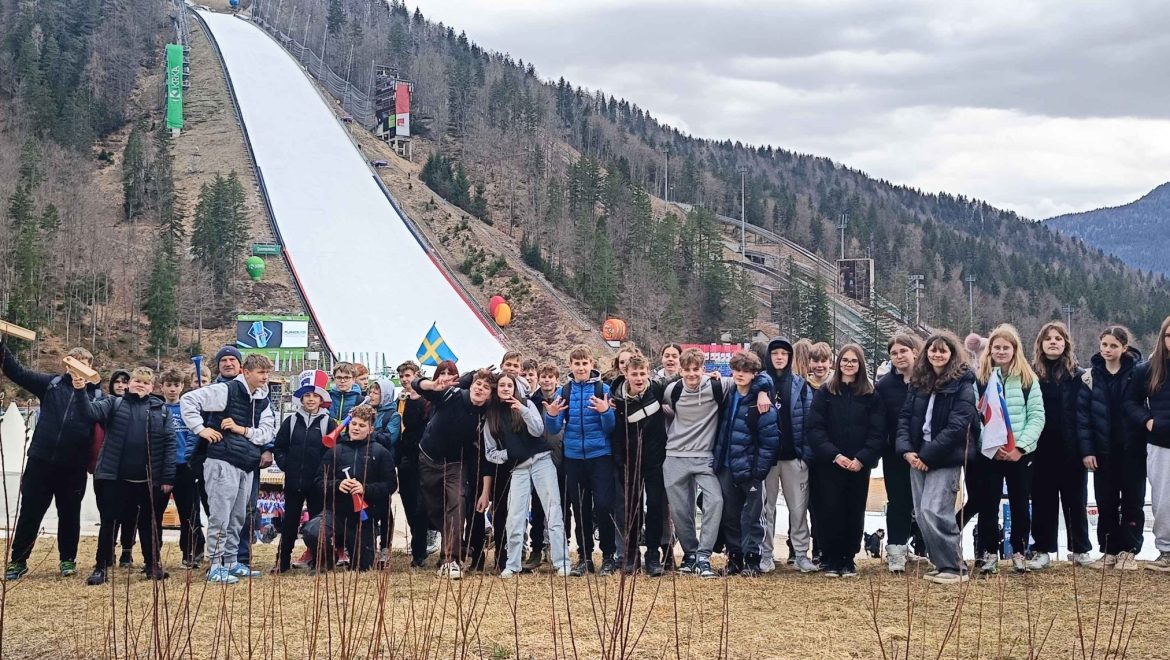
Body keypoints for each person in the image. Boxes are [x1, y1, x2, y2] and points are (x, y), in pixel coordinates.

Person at [0, 340, 104, 581]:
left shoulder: (98, 396)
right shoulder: (51, 384)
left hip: (74, 465)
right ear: (67, 365)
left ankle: (67, 560)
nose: (77, 370)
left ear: (91, 367)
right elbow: (17, 372)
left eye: (83, 365)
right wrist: (1, 347)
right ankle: (18, 561)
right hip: (41, 460)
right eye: (74, 364)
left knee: (70, 514)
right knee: (30, 512)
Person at [181, 354, 276, 585]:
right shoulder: (226, 390)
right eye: (260, 372)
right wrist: (201, 429)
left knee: (238, 517)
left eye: (267, 372)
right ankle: (215, 565)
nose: (265, 377)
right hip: (222, 460)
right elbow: (189, 400)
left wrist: (243, 430)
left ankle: (231, 562)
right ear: (246, 372)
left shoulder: (262, 399)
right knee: (220, 515)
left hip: (247, 462)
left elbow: (267, 432)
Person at [76, 367, 176, 585]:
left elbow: (170, 443)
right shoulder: (113, 403)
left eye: (146, 382)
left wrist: (168, 478)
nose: (141, 385)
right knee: (109, 524)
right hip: (116, 478)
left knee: (149, 525)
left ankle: (152, 565)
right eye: (137, 380)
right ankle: (101, 568)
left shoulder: (161, 410)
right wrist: (81, 391)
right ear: (129, 384)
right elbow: (88, 413)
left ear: (152, 387)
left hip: (148, 480)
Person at [897, 332, 978, 585]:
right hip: (917, 456)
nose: (937, 354)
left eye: (943, 350)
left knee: (936, 510)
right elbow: (905, 418)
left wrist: (927, 456)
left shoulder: (963, 384)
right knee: (922, 513)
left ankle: (955, 567)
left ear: (952, 354)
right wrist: (907, 450)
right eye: (933, 350)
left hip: (945, 457)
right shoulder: (919, 381)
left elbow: (957, 427)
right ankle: (941, 563)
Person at [971, 324, 1045, 575]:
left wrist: (1020, 447)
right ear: (989, 350)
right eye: (997, 347)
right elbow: (976, 417)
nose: (1001, 351)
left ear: (1015, 350)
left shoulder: (1027, 379)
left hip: (1019, 454)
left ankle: (1020, 551)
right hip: (990, 453)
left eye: (1006, 347)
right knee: (988, 504)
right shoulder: (981, 380)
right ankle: (990, 553)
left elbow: (1037, 416)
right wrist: (990, 445)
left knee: (1020, 504)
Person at [806, 343, 884, 578]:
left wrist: (862, 458)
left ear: (860, 364)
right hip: (830, 463)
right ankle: (830, 557)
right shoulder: (826, 393)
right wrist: (834, 455)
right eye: (845, 360)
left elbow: (878, 432)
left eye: (853, 361)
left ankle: (848, 558)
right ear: (838, 363)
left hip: (858, 465)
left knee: (854, 510)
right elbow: (815, 428)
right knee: (829, 509)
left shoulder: (870, 395)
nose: (849, 364)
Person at [483, 372, 571, 577]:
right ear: (497, 389)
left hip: (541, 461)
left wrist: (522, 410)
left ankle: (562, 561)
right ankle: (513, 564)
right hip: (518, 468)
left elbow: (538, 430)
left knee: (553, 510)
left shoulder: (527, 404)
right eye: (502, 385)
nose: (506, 388)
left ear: (515, 388)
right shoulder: (492, 415)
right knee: (515, 515)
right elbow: (490, 451)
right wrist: (508, 454)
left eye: (510, 385)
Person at [543, 345, 619, 576]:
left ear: (591, 364)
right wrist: (552, 415)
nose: (581, 367)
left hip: (600, 456)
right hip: (574, 457)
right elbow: (553, 428)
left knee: (604, 506)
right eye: (577, 363)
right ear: (570, 365)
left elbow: (611, 428)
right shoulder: (564, 391)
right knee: (580, 508)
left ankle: (608, 556)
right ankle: (585, 557)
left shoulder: (603, 389)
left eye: (585, 363)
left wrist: (605, 411)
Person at [414, 366, 493, 580]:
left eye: (486, 387)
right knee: (435, 510)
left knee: (457, 506)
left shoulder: (487, 414)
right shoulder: (452, 395)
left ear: (489, 395)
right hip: (428, 459)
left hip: (456, 465)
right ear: (471, 385)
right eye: (478, 384)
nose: (480, 389)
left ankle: (450, 560)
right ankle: (451, 541)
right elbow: (417, 385)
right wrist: (433, 385)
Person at [1080, 326, 1143, 570]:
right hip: (1102, 451)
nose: (1108, 349)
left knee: (1132, 502)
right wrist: (1087, 450)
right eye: (1104, 344)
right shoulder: (1090, 377)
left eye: (1113, 345)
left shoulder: (1137, 374)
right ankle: (1109, 550)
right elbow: (1083, 417)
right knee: (1105, 501)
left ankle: (1129, 551)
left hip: (1132, 450)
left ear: (1124, 348)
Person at [1028, 321, 1091, 570]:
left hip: (1072, 449)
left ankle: (1080, 550)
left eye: (1058, 338)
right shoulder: (1031, 375)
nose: (1053, 342)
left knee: (1076, 501)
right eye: (1048, 339)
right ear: (1040, 344)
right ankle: (1042, 550)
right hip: (1041, 449)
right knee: (1043, 501)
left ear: (1066, 343)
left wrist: (1086, 448)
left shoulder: (1079, 375)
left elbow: (1086, 414)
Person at [661, 348, 728, 579]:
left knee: (715, 501)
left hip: (705, 456)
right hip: (675, 455)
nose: (692, 374)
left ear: (704, 369)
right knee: (680, 510)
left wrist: (763, 393)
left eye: (696, 369)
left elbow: (750, 379)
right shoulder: (672, 390)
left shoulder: (718, 386)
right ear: (681, 370)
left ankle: (704, 556)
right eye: (687, 370)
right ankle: (690, 554)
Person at [305, 404, 396, 571]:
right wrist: (337, 485)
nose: (356, 428)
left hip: (364, 518)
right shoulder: (335, 450)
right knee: (312, 531)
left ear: (371, 429)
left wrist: (365, 489)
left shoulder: (381, 452)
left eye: (362, 425)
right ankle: (328, 559)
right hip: (336, 512)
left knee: (363, 567)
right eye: (353, 424)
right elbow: (318, 481)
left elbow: (390, 485)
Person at [713, 351, 778, 577]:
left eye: (746, 371)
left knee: (753, 516)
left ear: (754, 374)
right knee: (730, 515)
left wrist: (758, 472)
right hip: (727, 466)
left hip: (750, 469)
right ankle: (735, 558)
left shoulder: (762, 402)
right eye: (737, 370)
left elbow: (770, 441)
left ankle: (752, 560)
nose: (740, 374)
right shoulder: (729, 394)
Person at [758, 336, 817, 573]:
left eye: (784, 353)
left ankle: (801, 554)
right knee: (766, 509)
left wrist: (805, 456)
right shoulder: (760, 383)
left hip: (794, 457)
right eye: (775, 353)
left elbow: (810, 421)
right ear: (769, 357)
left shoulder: (800, 385)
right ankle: (766, 554)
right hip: (768, 459)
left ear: (790, 357)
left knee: (798, 509)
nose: (779, 357)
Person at [271, 370, 336, 573]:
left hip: (317, 483)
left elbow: (333, 452)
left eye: (315, 395)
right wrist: (286, 465)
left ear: (321, 399)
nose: (310, 399)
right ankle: (282, 561)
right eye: (307, 395)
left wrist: (322, 474)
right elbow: (279, 447)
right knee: (289, 523)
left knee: (317, 523)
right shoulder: (290, 421)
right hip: (294, 481)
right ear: (301, 398)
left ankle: (319, 560)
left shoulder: (328, 423)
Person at [610, 354, 669, 575]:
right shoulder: (617, 399)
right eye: (634, 374)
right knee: (632, 511)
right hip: (630, 463)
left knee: (654, 507)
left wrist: (712, 377)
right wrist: (620, 462)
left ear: (648, 373)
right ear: (626, 374)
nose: (639, 378)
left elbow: (681, 382)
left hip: (655, 461)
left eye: (642, 373)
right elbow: (616, 434)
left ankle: (652, 555)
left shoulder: (658, 389)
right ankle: (631, 554)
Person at [875, 334, 924, 573]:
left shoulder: (928, 380)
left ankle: (921, 546)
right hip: (895, 453)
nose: (899, 356)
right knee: (898, 502)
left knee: (924, 502)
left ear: (914, 351)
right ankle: (896, 550)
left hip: (926, 452)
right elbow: (879, 421)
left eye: (903, 351)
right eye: (894, 353)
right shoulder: (885, 386)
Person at [1126, 316, 1170, 572]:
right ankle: (1166, 551)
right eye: (1169, 335)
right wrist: (1148, 422)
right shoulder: (1148, 369)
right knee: (1163, 500)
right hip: (1161, 444)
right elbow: (1130, 402)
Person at [524, 361, 570, 572]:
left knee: (563, 506)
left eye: (550, 377)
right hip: (539, 458)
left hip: (562, 457)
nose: (546, 380)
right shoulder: (532, 401)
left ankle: (561, 547)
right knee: (538, 506)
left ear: (556, 379)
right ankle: (536, 549)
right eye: (543, 376)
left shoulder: (565, 398)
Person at [160, 368, 206, 569]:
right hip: (162, 468)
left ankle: (189, 553)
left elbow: (195, 436)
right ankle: (154, 555)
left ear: (182, 387)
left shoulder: (188, 409)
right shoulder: (157, 409)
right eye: (168, 385)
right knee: (155, 513)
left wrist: (191, 461)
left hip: (185, 466)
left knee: (188, 513)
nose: (172, 389)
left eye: (176, 385)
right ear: (161, 387)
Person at [394, 360, 431, 568]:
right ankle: (417, 543)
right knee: (408, 503)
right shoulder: (400, 400)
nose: (404, 380)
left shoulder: (426, 400)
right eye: (402, 376)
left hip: (422, 458)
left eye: (408, 375)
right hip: (405, 458)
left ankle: (420, 551)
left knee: (420, 506)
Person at [369, 377, 402, 566]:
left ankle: (385, 547)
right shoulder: (366, 411)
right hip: (366, 464)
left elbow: (390, 438)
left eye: (376, 392)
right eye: (371, 391)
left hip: (383, 466)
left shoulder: (393, 415)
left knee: (383, 508)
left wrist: (370, 432)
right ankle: (369, 546)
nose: (372, 395)